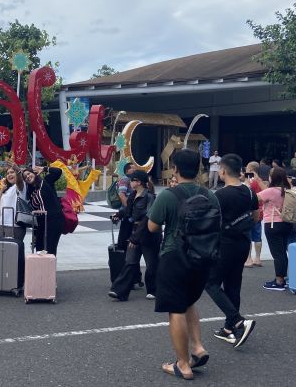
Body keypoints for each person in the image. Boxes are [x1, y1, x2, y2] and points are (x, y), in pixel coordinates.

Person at [148, 149, 219, 380]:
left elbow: (152, 227)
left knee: (175, 309)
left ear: (175, 169)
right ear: (199, 169)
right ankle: (197, 348)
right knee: (189, 302)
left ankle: (183, 365)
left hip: (175, 257)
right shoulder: (211, 195)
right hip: (203, 258)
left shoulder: (169, 196)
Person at [206, 153, 258, 348]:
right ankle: (229, 329)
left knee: (211, 283)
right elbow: (255, 217)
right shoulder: (250, 192)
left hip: (224, 244)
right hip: (243, 243)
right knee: (233, 285)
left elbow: (210, 222)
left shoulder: (219, 195)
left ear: (224, 170)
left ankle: (237, 320)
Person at [109, 170, 160, 301]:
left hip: (148, 233)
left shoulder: (150, 197)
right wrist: (118, 215)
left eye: (132, 180)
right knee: (130, 261)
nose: (130, 182)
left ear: (139, 182)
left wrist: (135, 238)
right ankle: (119, 291)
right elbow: (127, 209)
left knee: (151, 263)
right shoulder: (133, 195)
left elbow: (147, 218)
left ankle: (153, 290)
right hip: (135, 232)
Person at [258, 167, 292, 290]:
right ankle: (283, 277)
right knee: (282, 252)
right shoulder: (287, 190)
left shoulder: (271, 191)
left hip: (273, 224)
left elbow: (255, 198)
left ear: (273, 177)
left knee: (277, 254)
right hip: (286, 223)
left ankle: (279, 281)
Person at [23, 165, 64, 256]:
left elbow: (58, 172)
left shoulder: (46, 181)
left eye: (29, 174)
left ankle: (49, 269)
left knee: (50, 249)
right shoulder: (31, 192)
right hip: (41, 224)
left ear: (34, 173)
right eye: (25, 177)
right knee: (39, 249)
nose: (28, 177)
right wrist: (35, 234)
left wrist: (44, 168)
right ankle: (40, 269)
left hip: (54, 220)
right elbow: (35, 212)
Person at [0, 164, 28, 244]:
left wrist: (18, 170)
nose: (9, 175)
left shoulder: (21, 187)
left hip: (15, 226)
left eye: (12, 172)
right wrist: (2, 188)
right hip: (1, 224)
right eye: (7, 173)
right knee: (2, 252)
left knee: (13, 252)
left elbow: (20, 181)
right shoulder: (7, 189)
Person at [244, 161, 264, 268]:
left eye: (247, 168)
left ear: (251, 170)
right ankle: (258, 258)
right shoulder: (260, 181)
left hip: (249, 212)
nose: (245, 170)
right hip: (259, 211)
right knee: (257, 237)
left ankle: (248, 259)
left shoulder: (250, 181)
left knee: (248, 236)